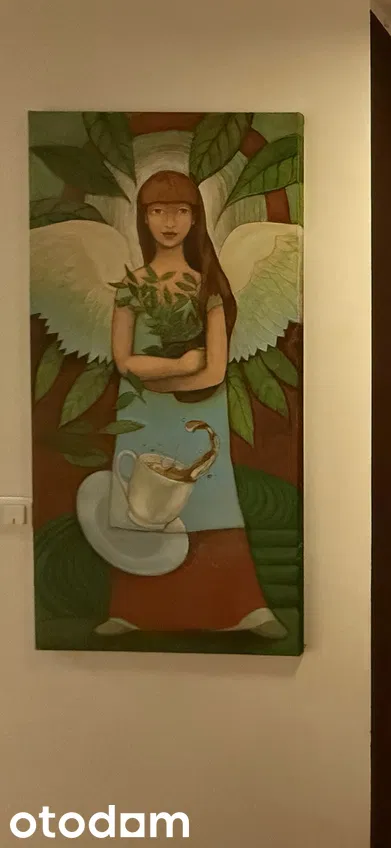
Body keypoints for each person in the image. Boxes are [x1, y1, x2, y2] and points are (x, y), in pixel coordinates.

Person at [99, 170, 284, 638]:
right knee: (141, 502)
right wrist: (179, 366)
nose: (169, 221)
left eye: (180, 210)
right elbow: (124, 360)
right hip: (143, 413)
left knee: (210, 499)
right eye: (158, 211)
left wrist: (166, 379)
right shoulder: (132, 287)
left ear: (195, 218)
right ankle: (131, 610)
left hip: (200, 412)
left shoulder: (208, 288)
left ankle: (241, 609)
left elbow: (216, 370)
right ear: (143, 218)